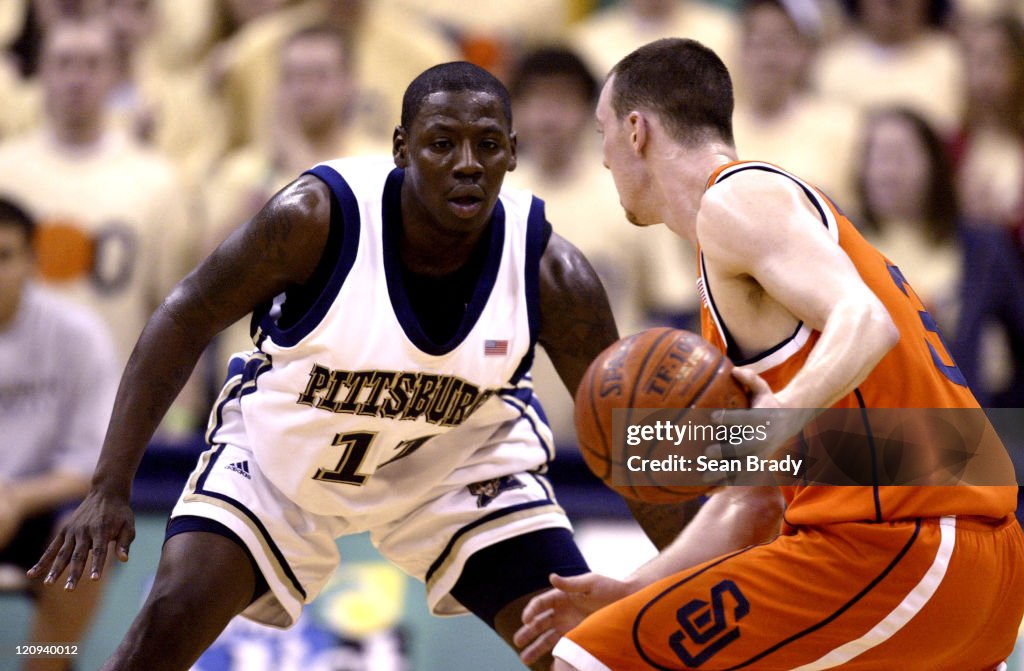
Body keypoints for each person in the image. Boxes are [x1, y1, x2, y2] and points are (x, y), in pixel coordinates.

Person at [27, 61, 628, 671]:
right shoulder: (316, 217)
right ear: (402, 148)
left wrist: (729, 470)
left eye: (488, 145)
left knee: (585, 653)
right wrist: (109, 485)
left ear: (512, 154)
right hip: (281, 461)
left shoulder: (550, 270)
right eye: (442, 143)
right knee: (166, 625)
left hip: (460, 469)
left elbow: (631, 433)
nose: (467, 162)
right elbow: (183, 316)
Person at [514, 38, 1024, 670]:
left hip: (902, 545)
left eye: (604, 134)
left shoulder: (737, 201)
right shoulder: (746, 249)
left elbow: (864, 321)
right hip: (968, 563)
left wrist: (776, 418)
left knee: (589, 660)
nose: (604, 159)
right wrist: (633, 588)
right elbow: (750, 501)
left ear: (637, 131)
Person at [0, 196, 119, 671]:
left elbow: (93, 462)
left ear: (33, 261)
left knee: (95, 534)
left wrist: (14, 499)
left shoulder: (78, 335)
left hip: (43, 511)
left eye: (4, 256)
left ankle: (44, 663)